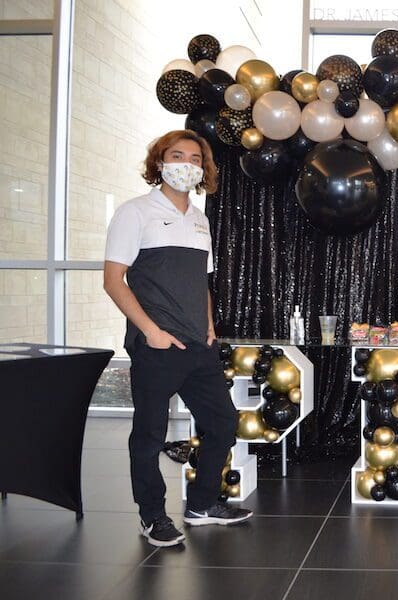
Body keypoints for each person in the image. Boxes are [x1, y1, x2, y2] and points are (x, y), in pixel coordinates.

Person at [104, 130, 252, 547]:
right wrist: (150, 332)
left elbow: (201, 282)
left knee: (222, 424)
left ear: (203, 169)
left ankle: (202, 505)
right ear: (159, 162)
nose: (186, 164)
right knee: (149, 435)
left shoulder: (201, 218)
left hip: (198, 346)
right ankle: (152, 516)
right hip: (156, 346)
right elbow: (113, 281)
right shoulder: (135, 213)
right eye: (177, 155)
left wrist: (208, 325)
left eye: (195, 159)